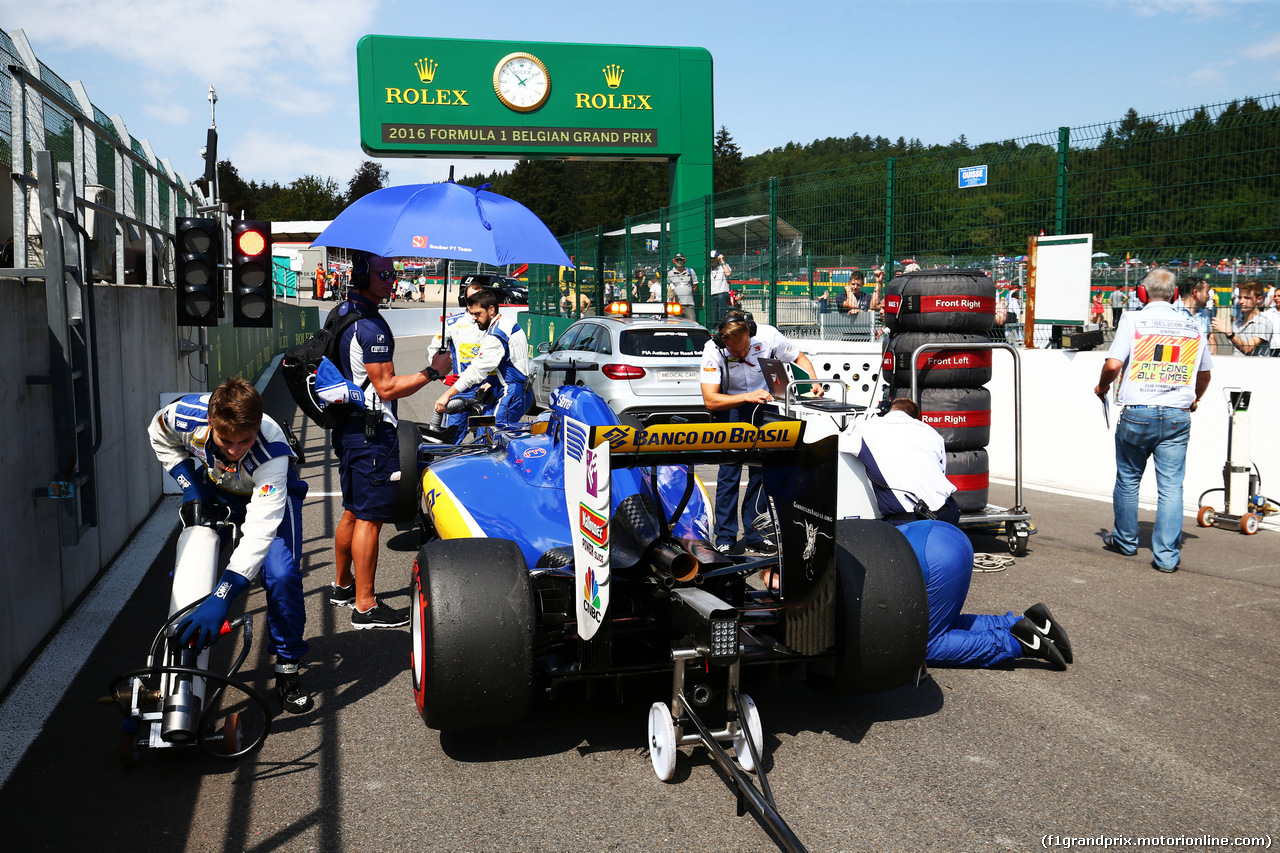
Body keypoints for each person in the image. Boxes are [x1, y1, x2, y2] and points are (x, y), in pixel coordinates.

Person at [149, 378, 313, 713]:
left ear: (258, 426)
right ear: (210, 423)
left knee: (282, 576)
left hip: (267, 498)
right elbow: (158, 434)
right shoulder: (184, 415)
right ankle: (183, 647)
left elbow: (259, 531)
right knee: (189, 563)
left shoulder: (273, 453)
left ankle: (287, 666)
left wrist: (223, 596)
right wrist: (190, 483)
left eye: (245, 440)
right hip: (216, 489)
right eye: (226, 440)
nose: (235, 449)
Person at [331, 251, 435, 628]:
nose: (391, 279)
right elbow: (387, 386)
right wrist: (431, 372)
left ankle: (343, 586)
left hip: (348, 428)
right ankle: (365, 606)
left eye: (393, 274)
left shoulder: (342, 312)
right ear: (361, 275)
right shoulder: (371, 327)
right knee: (370, 519)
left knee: (351, 510)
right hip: (371, 432)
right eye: (383, 274)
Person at [1094, 267, 1212, 573]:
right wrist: (1195, 398)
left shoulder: (1133, 319)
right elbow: (1205, 374)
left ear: (1142, 294)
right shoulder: (1193, 324)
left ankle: (1125, 541)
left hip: (1138, 413)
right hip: (1177, 414)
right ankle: (1167, 557)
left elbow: (1112, 365)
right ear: (1175, 295)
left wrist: (1103, 386)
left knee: (1129, 479)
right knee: (1171, 486)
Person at [700, 311, 824, 555]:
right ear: (723, 343)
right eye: (735, 352)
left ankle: (755, 533)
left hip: (765, 407)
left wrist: (813, 382)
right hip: (731, 408)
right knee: (729, 473)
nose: (742, 354)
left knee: (761, 473)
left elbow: (800, 358)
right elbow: (710, 400)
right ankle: (725, 536)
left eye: (745, 348)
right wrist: (746, 396)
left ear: (751, 333)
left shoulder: (768, 336)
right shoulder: (712, 350)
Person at [898, 520, 1073, 670]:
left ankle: (1019, 641)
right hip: (947, 534)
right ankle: (1025, 623)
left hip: (935, 558)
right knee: (937, 622)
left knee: (922, 645)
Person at [838, 398, 961, 526]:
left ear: (888, 410)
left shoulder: (864, 427)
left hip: (909, 519)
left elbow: (837, 445)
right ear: (915, 417)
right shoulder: (932, 432)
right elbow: (941, 470)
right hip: (948, 510)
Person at [434, 287, 532, 431]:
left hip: (510, 394)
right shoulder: (507, 323)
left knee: (491, 439)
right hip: (512, 391)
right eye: (472, 314)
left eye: (477, 314)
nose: (474, 318)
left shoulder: (496, 334)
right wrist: (492, 382)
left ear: (491, 310)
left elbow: (476, 371)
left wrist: (446, 396)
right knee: (482, 433)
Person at [440, 280, 490, 442]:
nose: (475, 301)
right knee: (450, 439)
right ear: (464, 300)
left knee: (486, 439)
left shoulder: (494, 325)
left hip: (486, 391)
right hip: (461, 390)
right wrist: (441, 376)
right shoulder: (452, 323)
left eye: (479, 296)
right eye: (471, 298)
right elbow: (435, 351)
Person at [1212, 279, 1272, 356]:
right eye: (1240, 297)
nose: (1241, 301)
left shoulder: (1264, 322)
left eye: (1247, 298)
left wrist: (1228, 332)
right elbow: (1235, 350)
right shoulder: (1237, 322)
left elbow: (1248, 349)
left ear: (1259, 299)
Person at [1176, 275, 1213, 339]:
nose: (1209, 296)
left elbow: (1211, 339)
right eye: (1207, 292)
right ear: (1195, 292)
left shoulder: (1204, 313)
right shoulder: (1174, 311)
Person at [708, 250, 733, 325]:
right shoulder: (707, 270)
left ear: (717, 258)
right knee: (713, 318)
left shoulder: (723, 266)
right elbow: (704, 285)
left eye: (714, 258)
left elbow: (728, 273)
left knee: (721, 297)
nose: (712, 260)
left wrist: (722, 261)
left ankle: (722, 319)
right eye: (711, 258)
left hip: (723, 293)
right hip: (712, 295)